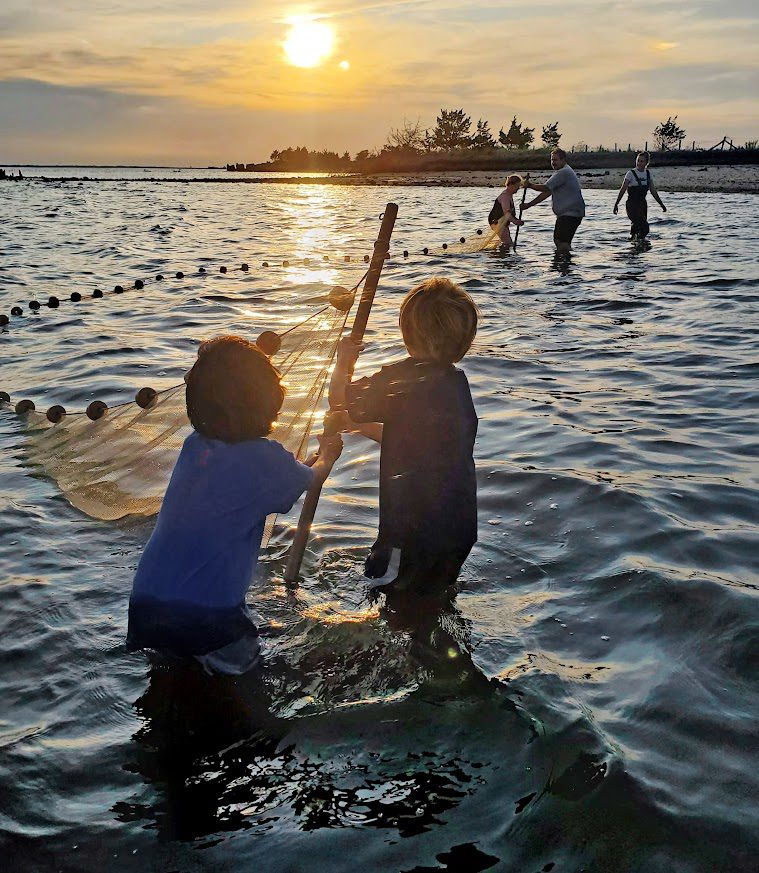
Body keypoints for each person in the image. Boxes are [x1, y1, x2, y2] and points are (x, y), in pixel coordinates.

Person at [127, 335, 342, 675]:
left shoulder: (194, 447)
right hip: (209, 614)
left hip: (148, 603)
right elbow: (312, 477)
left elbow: (268, 475)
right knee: (248, 680)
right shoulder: (266, 459)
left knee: (173, 674)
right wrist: (327, 455)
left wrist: (306, 465)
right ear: (268, 403)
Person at [329, 277, 479, 596]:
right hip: (459, 531)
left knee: (388, 598)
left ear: (408, 334)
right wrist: (358, 426)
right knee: (432, 597)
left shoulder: (400, 378)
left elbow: (339, 400)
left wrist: (343, 360)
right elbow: (416, 441)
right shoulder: (456, 385)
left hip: (410, 534)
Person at [522, 148, 586, 253]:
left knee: (562, 243)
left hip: (571, 214)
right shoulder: (561, 172)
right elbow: (547, 193)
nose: (553, 163)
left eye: (555, 160)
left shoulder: (564, 172)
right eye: (552, 160)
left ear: (563, 160)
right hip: (568, 214)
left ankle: (564, 265)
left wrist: (530, 185)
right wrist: (529, 205)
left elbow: (546, 188)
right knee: (559, 241)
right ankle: (563, 266)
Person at [613, 151, 666, 240]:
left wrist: (661, 204)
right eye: (638, 161)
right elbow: (623, 189)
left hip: (642, 205)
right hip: (632, 205)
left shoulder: (648, 174)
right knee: (644, 227)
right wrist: (616, 204)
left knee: (639, 228)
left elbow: (653, 191)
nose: (639, 163)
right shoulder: (630, 174)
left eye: (642, 161)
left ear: (646, 163)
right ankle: (638, 246)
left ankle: (635, 244)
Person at [488, 174, 525, 249]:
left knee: (507, 241)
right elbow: (507, 213)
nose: (518, 189)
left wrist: (517, 220)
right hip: (496, 221)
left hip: (502, 222)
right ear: (511, 184)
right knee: (507, 243)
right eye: (517, 186)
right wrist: (515, 222)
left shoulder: (509, 195)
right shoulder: (505, 196)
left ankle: (503, 256)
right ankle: (504, 258)